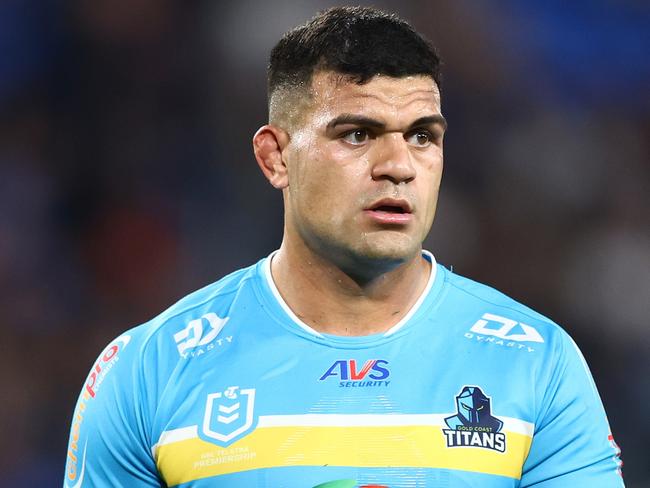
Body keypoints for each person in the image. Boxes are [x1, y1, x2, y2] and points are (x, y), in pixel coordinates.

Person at [63, 6, 623, 488]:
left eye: (423, 136)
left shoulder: (536, 362)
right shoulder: (149, 370)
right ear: (275, 157)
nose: (399, 166)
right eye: (357, 134)